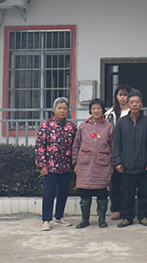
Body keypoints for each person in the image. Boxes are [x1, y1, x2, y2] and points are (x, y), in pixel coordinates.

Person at [113, 89, 147, 227]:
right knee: (127, 194)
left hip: (144, 164)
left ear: (141, 104)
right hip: (126, 165)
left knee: (144, 193)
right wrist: (117, 161)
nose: (135, 105)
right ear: (128, 104)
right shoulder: (121, 122)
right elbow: (117, 144)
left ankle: (143, 216)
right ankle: (127, 217)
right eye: (132, 102)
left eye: (137, 102)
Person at [35, 97, 77, 231]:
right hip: (50, 166)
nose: (62, 111)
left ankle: (59, 216)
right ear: (54, 110)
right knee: (49, 193)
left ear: (68, 110)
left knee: (63, 192)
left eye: (64, 108)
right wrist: (42, 165)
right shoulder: (46, 125)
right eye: (59, 108)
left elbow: (75, 146)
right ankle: (46, 219)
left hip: (66, 166)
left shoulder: (71, 127)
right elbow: (40, 146)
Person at [72, 98, 115, 228]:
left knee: (102, 194)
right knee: (85, 194)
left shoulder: (109, 127)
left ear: (103, 110)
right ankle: (85, 220)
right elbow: (76, 145)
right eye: (93, 108)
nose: (96, 111)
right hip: (84, 165)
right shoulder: (83, 126)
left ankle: (102, 219)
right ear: (90, 110)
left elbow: (113, 147)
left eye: (99, 108)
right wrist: (75, 163)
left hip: (103, 166)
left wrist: (112, 164)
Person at [104, 84, 130, 220]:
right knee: (115, 184)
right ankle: (115, 209)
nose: (123, 98)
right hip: (114, 153)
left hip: (129, 153)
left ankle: (126, 209)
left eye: (125, 95)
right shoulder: (110, 114)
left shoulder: (132, 112)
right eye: (120, 95)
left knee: (127, 184)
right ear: (116, 96)